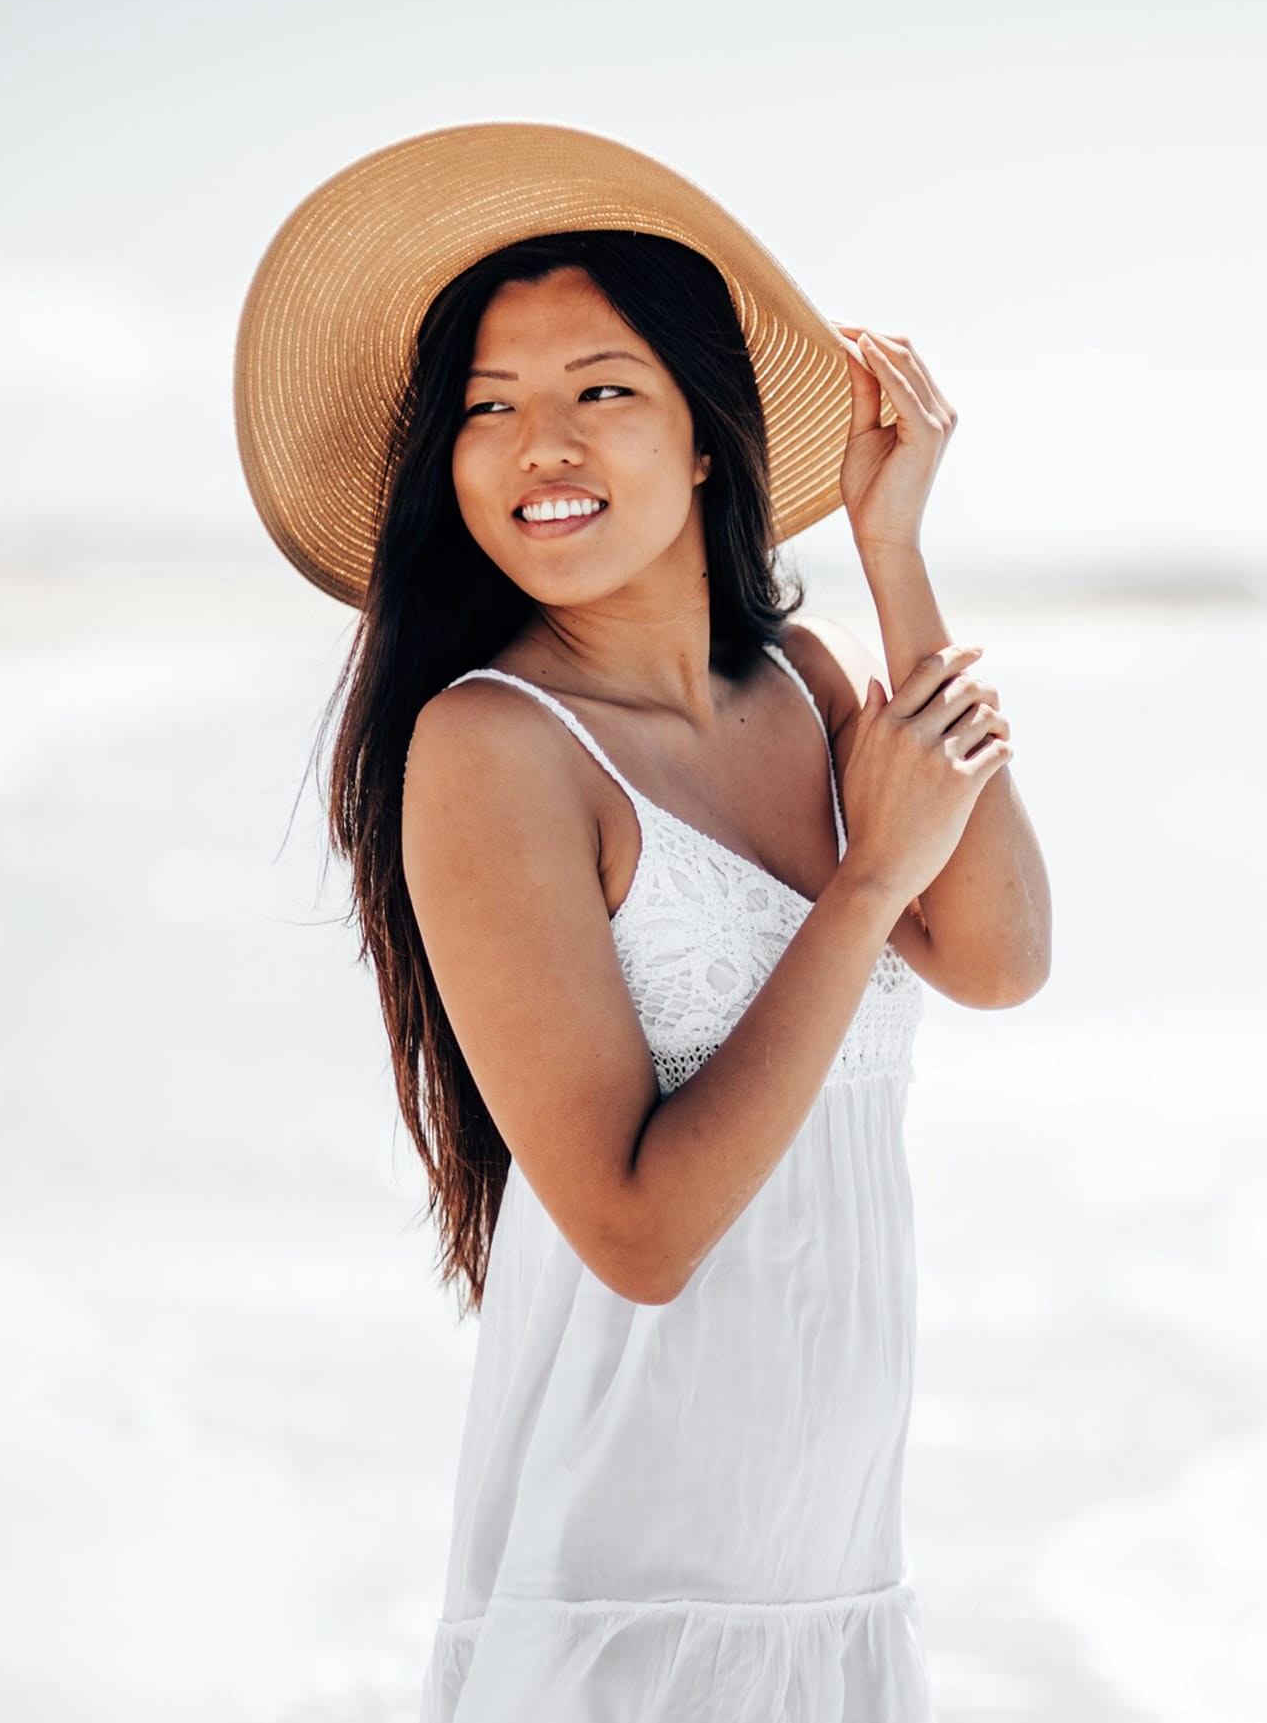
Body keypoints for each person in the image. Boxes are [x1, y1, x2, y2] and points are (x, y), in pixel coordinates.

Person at [234, 122, 1052, 1723]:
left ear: (701, 437)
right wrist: (865, 884)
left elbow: (1006, 958)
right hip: (628, 1592)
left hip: (832, 1571)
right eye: (488, 406)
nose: (540, 443)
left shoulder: (807, 687)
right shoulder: (491, 749)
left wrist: (892, 556)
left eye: (600, 388)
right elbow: (639, 1228)